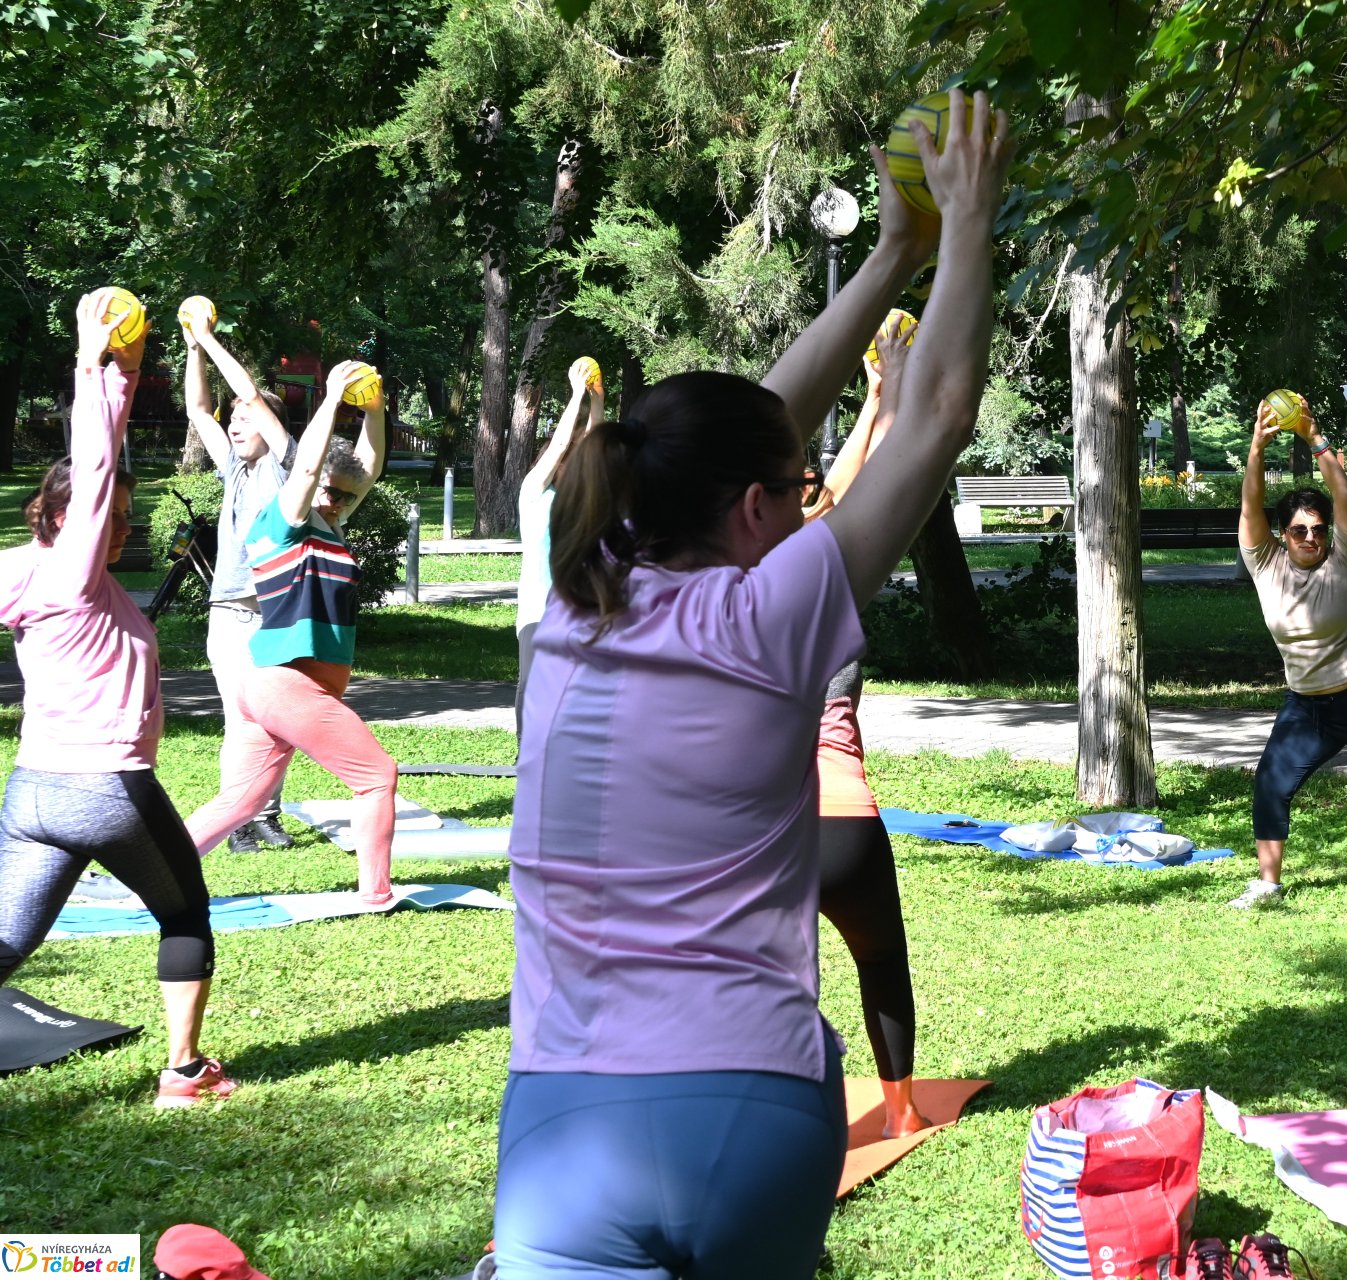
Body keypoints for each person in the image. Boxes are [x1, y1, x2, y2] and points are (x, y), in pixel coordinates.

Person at [497, 89, 1010, 1279]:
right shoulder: (766, 614)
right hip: (752, 1107)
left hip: (564, 1128)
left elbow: (749, 427)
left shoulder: (577, 596)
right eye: (798, 483)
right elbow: (934, 411)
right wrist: (968, 221)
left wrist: (895, 251)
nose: (812, 488)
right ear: (754, 512)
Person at [0, 289, 232, 1108]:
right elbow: (95, 466)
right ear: (61, 517)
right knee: (186, 912)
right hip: (106, 790)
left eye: (131, 518)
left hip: (33, 791)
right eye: (114, 517)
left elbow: (99, 481)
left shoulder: (20, 571)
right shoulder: (70, 571)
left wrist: (124, 373)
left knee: (4, 942)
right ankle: (183, 1072)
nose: (123, 528)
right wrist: (97, 367)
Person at [184, 360, 396, 905]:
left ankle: (154, 879)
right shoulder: (283, 521)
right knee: (376, 776)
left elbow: (366, 465)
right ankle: (377, 895)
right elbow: (306, 473)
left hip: (279, 687)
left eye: (347, 498)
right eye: (333, 493)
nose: (339, 502)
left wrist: (373, 411)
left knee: (240, 801)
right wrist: (329, 400)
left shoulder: (330, 520)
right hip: (286, 685)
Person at [805, 315, 928, 1136]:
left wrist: (877, 396)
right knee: (881, 961)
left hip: (756, 825)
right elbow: (855, 493)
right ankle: (901, 1113)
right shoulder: (831, 580)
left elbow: (835, 490)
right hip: (842, 816)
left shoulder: (733, 585)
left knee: (774, 989)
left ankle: (777, 1120)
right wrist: (888, 390)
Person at [1231, 396, 1347, 909]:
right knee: (1270, 784)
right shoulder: (1267, 565)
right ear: (1282, 536)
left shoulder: (1344, 561)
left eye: (1318, 528)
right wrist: (1257, 448)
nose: (1311, 536)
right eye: (1299, 530)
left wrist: (1315, 437)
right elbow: (1250, 508)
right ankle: (1267, 885)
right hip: (1306, 704)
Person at [180, 305, 296, 855]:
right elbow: (199, 408)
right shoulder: (234, 467)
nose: (234, 423)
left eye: (245, 421)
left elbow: (248, 396)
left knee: (277, 722)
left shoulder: (281, 467)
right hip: (229, 614)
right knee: (239, 719)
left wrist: (212, 336)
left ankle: (266, 813)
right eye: (235, 421)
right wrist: (193, 347)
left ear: (269, 430)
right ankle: (241, 819)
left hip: (276, 613)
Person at [515, 358, 604, 731]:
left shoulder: (583, 500)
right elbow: (565, 439)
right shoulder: (534, 493)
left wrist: (598, 400)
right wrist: (576, 394)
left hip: (581, 614)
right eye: (574, 458)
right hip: (538, 613)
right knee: (533, 692)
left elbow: (594, 441)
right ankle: (528, 759)